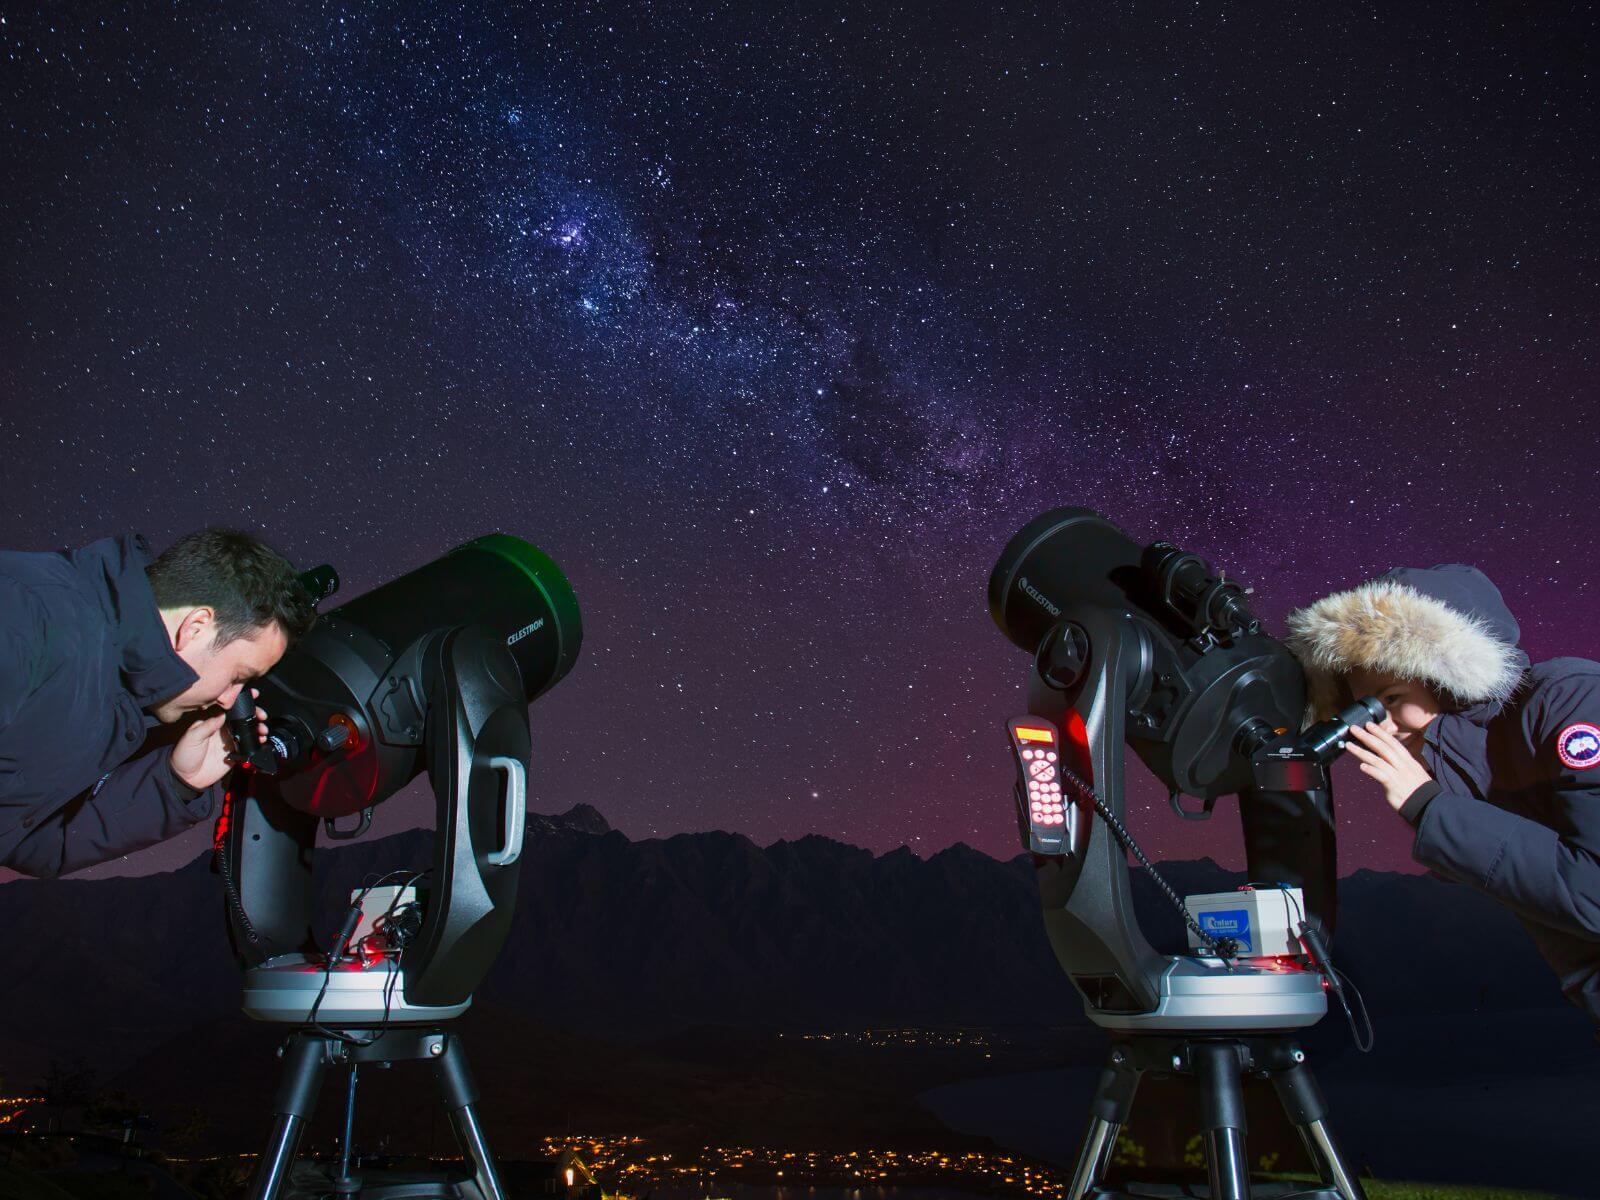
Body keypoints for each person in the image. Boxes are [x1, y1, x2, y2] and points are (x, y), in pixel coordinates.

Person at [1285, 563, 1600, 1030]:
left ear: (1444, 677)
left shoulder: (1570, 699)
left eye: (1389, 699)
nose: (1381, 726)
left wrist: (1430, 806)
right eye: (1363, 709)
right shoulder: (1455, 766)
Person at [0, 529, 316, 877]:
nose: (229, 699)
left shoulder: (116, 690)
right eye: (238, 675)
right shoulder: (22, 614)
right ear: (197, 627)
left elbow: (34, 843)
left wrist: (177, 782)